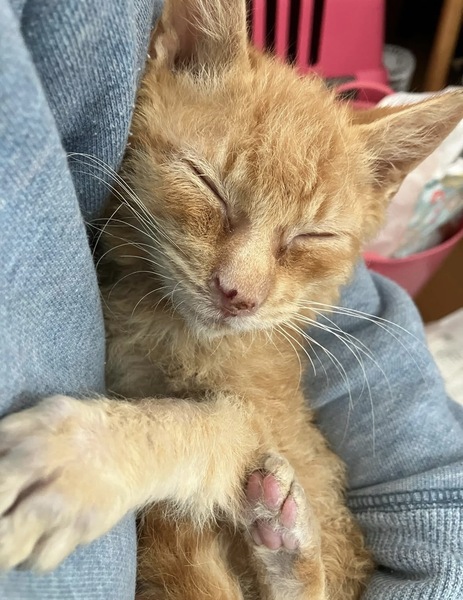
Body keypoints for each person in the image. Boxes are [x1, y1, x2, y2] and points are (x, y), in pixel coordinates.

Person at [1, 1, 462, 598]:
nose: (242, 286)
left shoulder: (268, 348)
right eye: (207, 189)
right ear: (179, 55)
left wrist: (131, 446)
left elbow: (250, 438)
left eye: (311, 239)